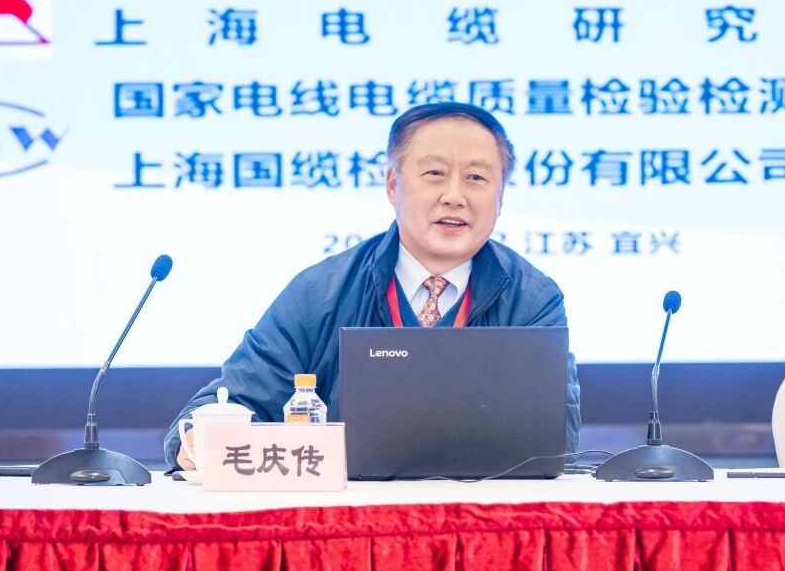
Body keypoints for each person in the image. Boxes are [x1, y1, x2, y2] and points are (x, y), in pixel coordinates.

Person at [165, 102, 581, 470]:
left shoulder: (533, 299)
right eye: (435, 174)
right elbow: (234, 400)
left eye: (476, 177)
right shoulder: (319, 293)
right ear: (393, 185)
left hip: (483, 519)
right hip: (345, 521)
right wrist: (199, 437)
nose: (454, 196)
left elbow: (554, 438)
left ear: (501, 196)